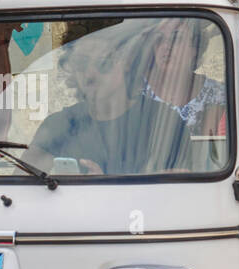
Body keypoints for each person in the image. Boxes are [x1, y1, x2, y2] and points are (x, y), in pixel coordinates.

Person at [27, 22, 197, 175]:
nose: (89, 74)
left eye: (103, 63)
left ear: (128, 62)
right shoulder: (58, 125)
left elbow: (175, 195)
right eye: (81, 64)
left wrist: (105, 187)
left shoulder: (162, 123)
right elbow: (21, 187)